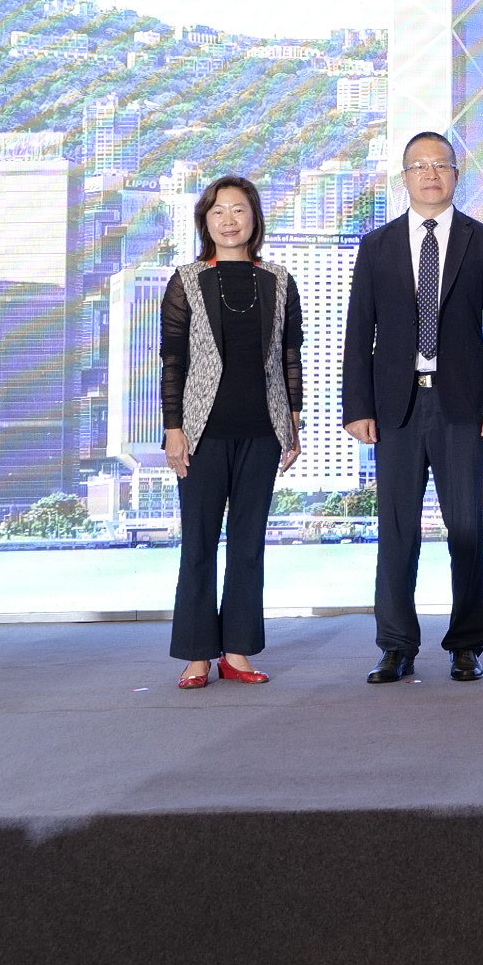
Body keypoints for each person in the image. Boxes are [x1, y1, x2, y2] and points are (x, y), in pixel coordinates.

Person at [343, 129, 483, 685]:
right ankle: (396, 645)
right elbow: (359, 333)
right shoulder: (376, 246)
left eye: (440, 165)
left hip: (463, 405)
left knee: (466, 529)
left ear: (455, 176)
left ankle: (466, 644)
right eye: (419, 166)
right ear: (404, 178)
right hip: (395, 408)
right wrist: (357, 406)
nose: (430, 174)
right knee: (397, 532)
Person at [159, 176, 303, 689]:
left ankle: (237, 652)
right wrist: (173, 429)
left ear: (254, 218)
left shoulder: (279, 280)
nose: (228, 220)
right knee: (198, 544)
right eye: (218, 211)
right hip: (201, 432)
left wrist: (292, 421)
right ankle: (197, 655)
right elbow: (173, 360)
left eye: (239, 210)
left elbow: (290, 356)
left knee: (248, 545)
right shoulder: (186, 280)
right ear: (205, 221)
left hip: (262, 430)